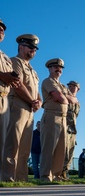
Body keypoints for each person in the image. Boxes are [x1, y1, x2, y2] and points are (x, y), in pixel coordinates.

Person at [2, 34, 40, 182]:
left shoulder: (33, 71)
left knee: (24, 149)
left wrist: (38, 102)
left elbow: (37, 95)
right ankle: (7, 179)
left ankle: (21, 180)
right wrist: (32, 101)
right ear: (21, 46)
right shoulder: (15, 61)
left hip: (30, 110)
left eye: (35, 49)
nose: (33, 51)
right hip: (17, 105)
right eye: (30, 47)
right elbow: (18, 85)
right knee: (12, 145)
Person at [40, 58, 75, 182]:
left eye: (60, 68)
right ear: (49, 68)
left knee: (61, 149)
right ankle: (45, 176)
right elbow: (61, 98)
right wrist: (67, 98)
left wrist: (67, 97)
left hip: (63, 118)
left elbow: (73, 99)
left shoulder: (62, 86)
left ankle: (56, 175)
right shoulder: (48, 81)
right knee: (48, 147)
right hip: (51, 116)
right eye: (55, 67)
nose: (58, 69)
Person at [0, 19, 21, 179]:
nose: (1, 30)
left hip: (4, 99)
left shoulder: (5, 58)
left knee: (2, 142)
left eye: (2, 29)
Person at [62, 80, 80, 180]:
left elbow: (75, 116)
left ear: (78, 89)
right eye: (69, 86)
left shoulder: (78, 103)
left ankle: (65, 172)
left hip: (72, 130)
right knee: (62, 151)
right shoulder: (65, 96)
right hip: (63, 127)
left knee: (70, 152)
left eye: (74, 86)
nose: (71, 87)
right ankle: (58, 172)